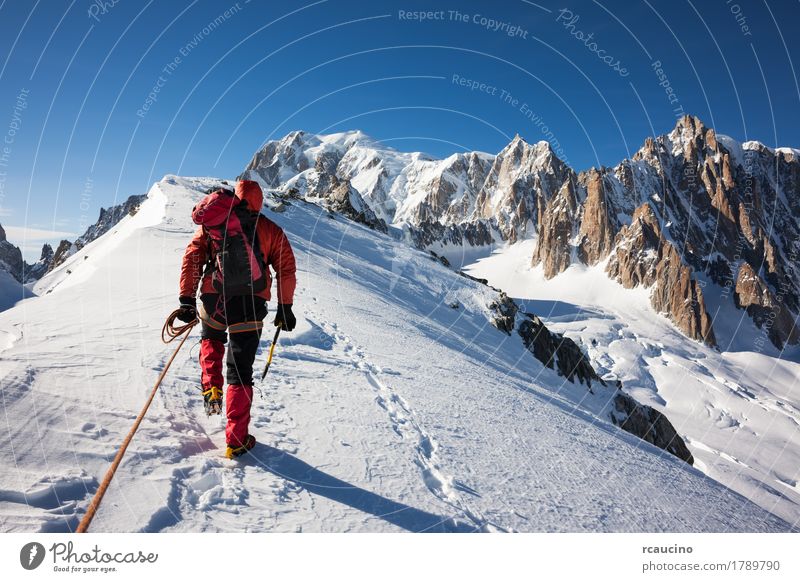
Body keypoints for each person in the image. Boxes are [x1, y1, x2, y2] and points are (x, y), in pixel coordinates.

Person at [176, 180, 296, 459]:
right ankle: (236, 440)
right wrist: (285, 306)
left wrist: (186, 297)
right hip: (250, 306)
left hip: (214, 299)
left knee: (211, 341)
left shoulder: (214, 224)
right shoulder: (270, 229)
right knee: (241, 370)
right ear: (258, 200)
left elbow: (192, 257)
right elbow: (286, 269)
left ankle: (212, 390)